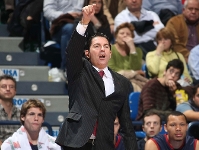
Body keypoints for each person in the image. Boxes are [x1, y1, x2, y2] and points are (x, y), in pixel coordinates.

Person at [55, 4, 138, 150]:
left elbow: (126, 126)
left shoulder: (122, 82)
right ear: (87, 53)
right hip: (76, 142)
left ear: (110, 54)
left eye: (106, 46)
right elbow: (72, 52)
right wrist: (85, 22)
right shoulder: (80, 71)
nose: (102, 49)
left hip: (104, 145)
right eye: (97, 46)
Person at [43, 0, 84, 71]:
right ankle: (68, 69)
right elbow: (47, 11)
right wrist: (66, 15)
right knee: (70, 29)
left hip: (82, 21)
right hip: (60, 25)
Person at [108, 22, 148, 92]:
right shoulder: (109, 49)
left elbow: (136, 67)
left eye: (128, 34)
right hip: (114, 81)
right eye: (122, 33)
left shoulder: (137, 51)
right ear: (116, 37)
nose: (125, 36)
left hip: (133, 81)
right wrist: (133, 72)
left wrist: (132, 49)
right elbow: (112, 70)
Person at [0, 75, 20, 146]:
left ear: (15, 91)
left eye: (11, 87)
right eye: (4, 86)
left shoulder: (22, 114)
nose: (8, 89)